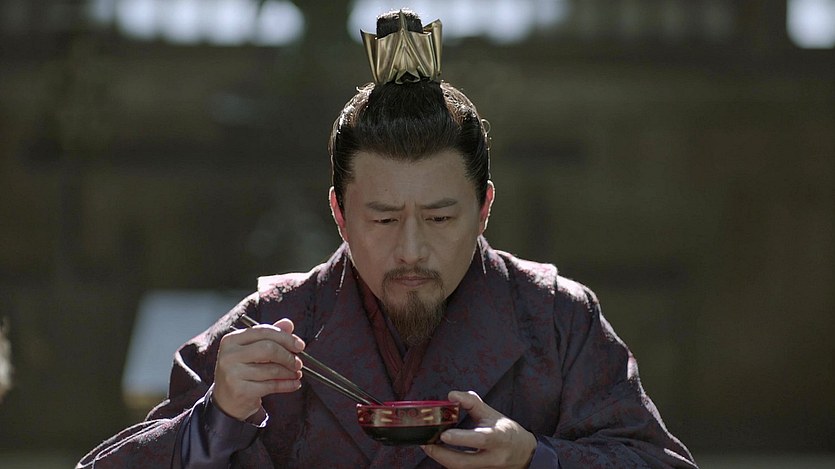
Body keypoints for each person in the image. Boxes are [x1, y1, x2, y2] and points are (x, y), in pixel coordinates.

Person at [78, 9, 697, 469]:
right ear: (339, 214)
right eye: (381, 219)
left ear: (484, 208)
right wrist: (215, 421)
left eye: (440, 218)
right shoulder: (274, 327)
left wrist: (537, 458)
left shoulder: (557, 321)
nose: (410, 251)